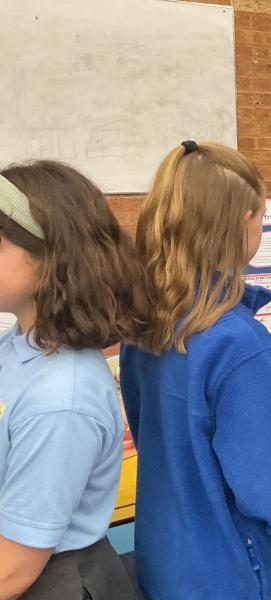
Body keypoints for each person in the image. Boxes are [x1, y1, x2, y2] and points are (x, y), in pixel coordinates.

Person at [120, 141, 271, 600]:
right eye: (262, 217)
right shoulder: (237, 342)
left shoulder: (145, 322)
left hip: (163, 552)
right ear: (244, 221)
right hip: (227, 568)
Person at [0, 161, 146, 599]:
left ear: (51, 255)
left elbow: (12, 570)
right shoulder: (18, 344)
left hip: (48, 581)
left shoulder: (60, 398)